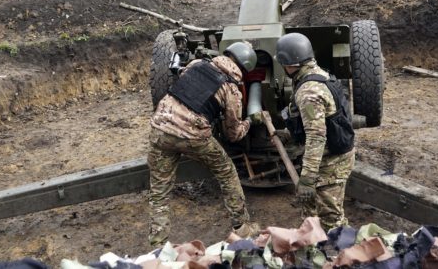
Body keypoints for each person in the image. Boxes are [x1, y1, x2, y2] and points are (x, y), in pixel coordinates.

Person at [147, 41, 260, 247]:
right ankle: (242, 227)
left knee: (159, 190)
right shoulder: (231, 88)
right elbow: (233, 133)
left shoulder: (196, 64)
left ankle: (157, 244)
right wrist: (250, 122)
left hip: (160, 128)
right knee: (227, 173)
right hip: (193, 135)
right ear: (243, 68)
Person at [275, 32, 355, 231]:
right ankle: (312, 246)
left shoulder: (309, 92)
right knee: (310, 214)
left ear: (289, 62)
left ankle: (342, 255)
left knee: (331, 218)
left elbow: (316, 136)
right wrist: (288, 134)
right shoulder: (318, 74)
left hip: (331, 162)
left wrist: (308, 179)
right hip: (327, 154)